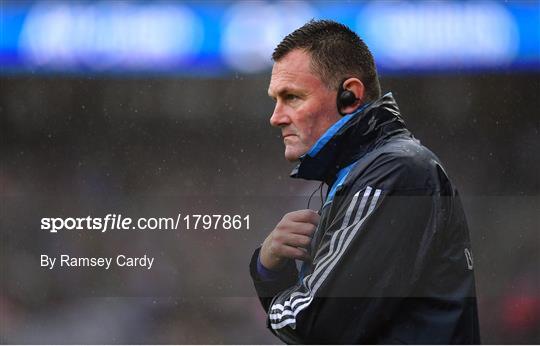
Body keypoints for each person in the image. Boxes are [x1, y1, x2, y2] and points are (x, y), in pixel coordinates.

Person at [248, 20, 481, 344]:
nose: (276, 116)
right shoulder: (361, 172)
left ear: (350, 96)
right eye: (276, 99)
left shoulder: (396, 172)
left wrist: (267, 276)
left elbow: (316, 322)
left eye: (293, 97)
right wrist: (269, 268)